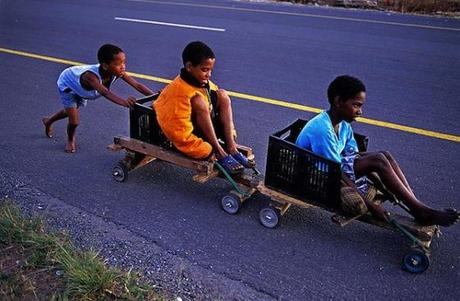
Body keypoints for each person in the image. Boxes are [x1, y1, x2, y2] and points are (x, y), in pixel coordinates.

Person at [295, 75, 459, 227]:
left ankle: (417, 205)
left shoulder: (343, 124)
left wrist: (380, 181)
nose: (360, 111)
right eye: (356, 105)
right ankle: (420, 210)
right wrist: (371, 205)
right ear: (338, 101)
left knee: (384, 155)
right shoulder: (322, 129)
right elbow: (336, 171)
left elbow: (352, 156)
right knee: (378, 160)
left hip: (334, 164)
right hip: (317, 171)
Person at [153, 41, 252, 174]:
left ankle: (232, 148)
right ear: (189, 66)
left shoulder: (201, 81)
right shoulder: (178, 92)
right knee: (199, 101)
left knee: (222, 95)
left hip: (205, 124)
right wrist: (206, 150)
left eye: (211, 70)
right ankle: (220, 152)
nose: (209, 75)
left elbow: (213, 100)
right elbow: (179, 133)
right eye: (205, 70)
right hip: (191, 133)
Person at [42, 44, 154, 153]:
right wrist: (125, 102)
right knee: (74, 121)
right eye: (118, 64)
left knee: (69, 111)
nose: (123, 66)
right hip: (68, 86)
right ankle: (70, 140)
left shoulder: (117, 72)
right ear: (105, 66)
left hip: (82, 90)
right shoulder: (90, 77)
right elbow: (105, 92)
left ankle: (48, 120)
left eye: (124, 62)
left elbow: (137, 85)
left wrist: (156, 96)